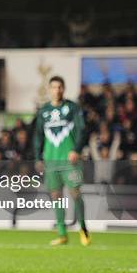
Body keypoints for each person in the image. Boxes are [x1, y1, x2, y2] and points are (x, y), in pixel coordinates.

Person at [34, 76, 90, 247]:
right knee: (56, 196)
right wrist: (38, 156)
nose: (57, 90)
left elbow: (82, 130)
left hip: (69, 160)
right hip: (51, 160)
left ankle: (83, 228)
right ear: (49, 89)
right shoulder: (43, 111)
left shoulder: (72, 108)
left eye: (60, 87)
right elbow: (37, 135)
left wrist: (77, 150)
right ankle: (62, 233)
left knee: (75, 193)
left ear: (63, 89)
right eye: (54, 87)